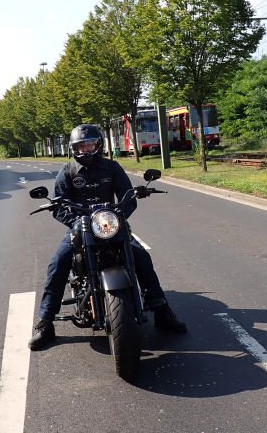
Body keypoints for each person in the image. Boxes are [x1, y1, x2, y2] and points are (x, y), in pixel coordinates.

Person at [29, 124, 186, 350]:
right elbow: (58, 206)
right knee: (58, 262)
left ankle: (162, 310)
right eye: (81, 145)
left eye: (90, 144)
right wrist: (74, 221)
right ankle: (45, 322)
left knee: (141, 256)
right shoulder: (68, 171)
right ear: (74, 148)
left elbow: (128, 197)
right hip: (81, 226)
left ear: (98, 145)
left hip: (111, 224)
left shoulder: (112, 167)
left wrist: (120, 214)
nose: (86, 149)